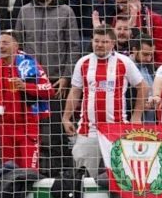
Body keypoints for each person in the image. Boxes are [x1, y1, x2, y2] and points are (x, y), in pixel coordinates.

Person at [16, 0, 81, 173]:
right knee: (34, 130)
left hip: (55, 83)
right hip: (30, 83)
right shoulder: (24, 11)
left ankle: (59, 172)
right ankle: (36, 170)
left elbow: (74, 46)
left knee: (55, 130)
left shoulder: (66, 12)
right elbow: (18, 45)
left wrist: (66, 76)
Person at [63, 27, 147, 178]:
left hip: (117, 129)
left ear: (113, 43)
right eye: (96, 41)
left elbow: (142, 87)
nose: (99, 45)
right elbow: (75, 91)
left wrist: (136, 116)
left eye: (104, 42)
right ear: (92, 41)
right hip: (88, 130)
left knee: (121, 177)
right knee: (82, 177)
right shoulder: (83, 63)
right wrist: (66, 117)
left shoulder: (124, 62)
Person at [0, 30, 54, 170]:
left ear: (16, 46)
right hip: (5, 127)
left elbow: (49, 90)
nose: (1, 46)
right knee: (9, 173)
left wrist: (25, 86)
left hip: (27, 126)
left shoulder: (29, 64)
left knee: (29, 171)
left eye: (5, 43)